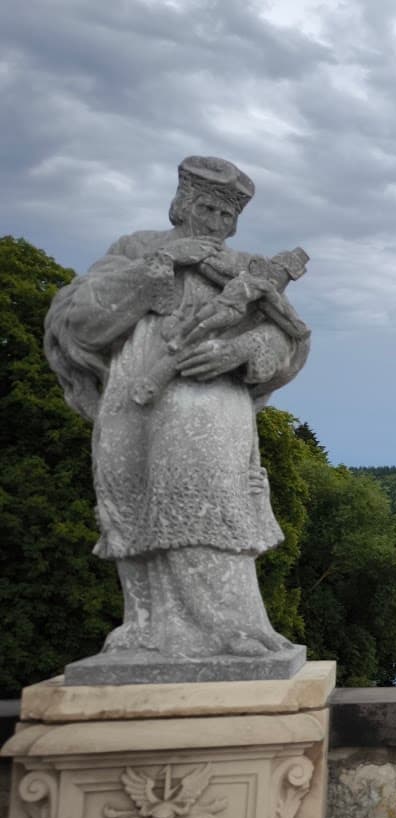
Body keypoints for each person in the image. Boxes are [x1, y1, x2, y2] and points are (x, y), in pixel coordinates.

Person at [45, 156, 310, 661]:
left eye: (226, 217)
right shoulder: (133, 251)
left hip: (209, 407)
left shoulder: (245, 269)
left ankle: (232, 627)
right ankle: (148, 632)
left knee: (207, 506)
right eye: (207, 209)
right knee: (137, 512)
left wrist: (240, 350)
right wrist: (162, 268)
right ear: (179, 205)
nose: (215, 224)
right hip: (133, 404)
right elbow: (79, 323)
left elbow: (287, 338)